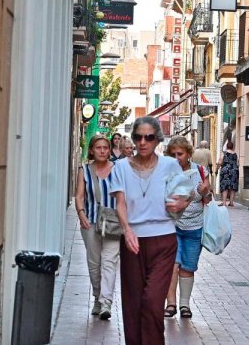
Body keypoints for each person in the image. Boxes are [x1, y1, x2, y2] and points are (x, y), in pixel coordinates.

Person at [110, 117, 191, 344]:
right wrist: (126, 230)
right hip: (133, 240)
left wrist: (183, 203)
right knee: (133, 303)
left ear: (157, 140)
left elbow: (188, 192)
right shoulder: (121, 167)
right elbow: (120, 202)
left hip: (164, 239)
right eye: (138, 137)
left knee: (153, 303)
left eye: (149, 137)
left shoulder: (170, 165)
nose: (143, 142)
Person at [164, 137, 212, 319]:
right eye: (173, 154)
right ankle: (171, 304)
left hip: (195, 227)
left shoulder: (200, 171)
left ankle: (185, 304)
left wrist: (204, 192)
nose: (177, 158)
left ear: (189, 154)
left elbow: (208, 200)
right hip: (172, 226)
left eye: (180, 154)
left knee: (188, 267)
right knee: (172, 265)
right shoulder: (167, 172)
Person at [75, 134, 121, 320]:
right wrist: (81, 213)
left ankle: (106, 302)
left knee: (109, 262)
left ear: (109, 150)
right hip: (91, 221)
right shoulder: (84, 171)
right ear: (92, 150)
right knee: (94, 264)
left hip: (113, 223)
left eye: (105, 148)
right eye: (99, 148)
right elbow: (79, 195)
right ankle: (97, 297)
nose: (102, 151)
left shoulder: (118, 169)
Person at [217, 139, 239, 206]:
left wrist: (216, 169)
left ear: (226, 146)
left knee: (225, 186)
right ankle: (231, 202)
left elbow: (220, 161)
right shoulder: (235, 154)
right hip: (234, 171)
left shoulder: (224, 153)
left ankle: (224, 203)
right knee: (233, 186)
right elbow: (238, 163)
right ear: (232, 147)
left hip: (225, 171)